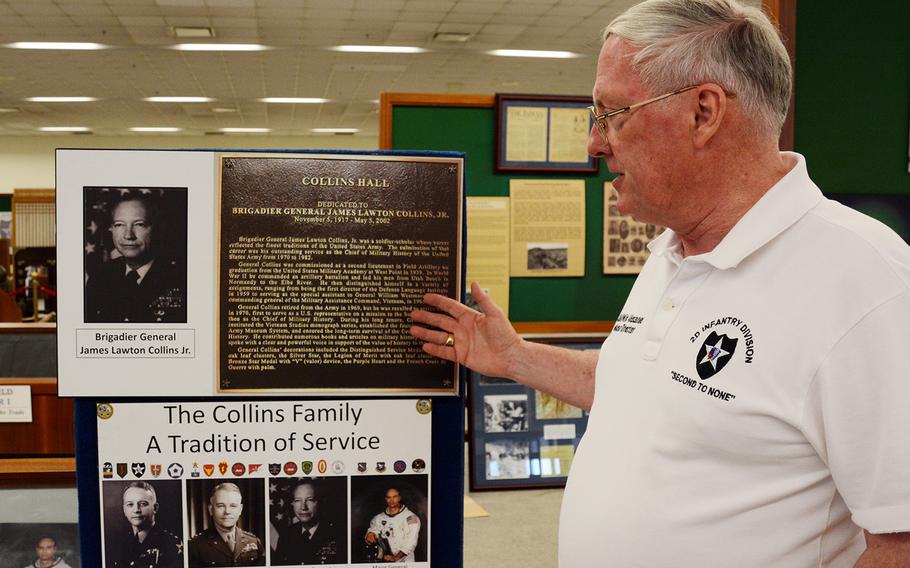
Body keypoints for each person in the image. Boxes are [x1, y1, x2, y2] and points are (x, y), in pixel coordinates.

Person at [409, 1, 910, 566]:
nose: (594, 145)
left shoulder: (866, 282)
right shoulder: (674, 250)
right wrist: (518, 357)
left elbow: (901, 540)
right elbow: (645, 390)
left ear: (704, 112)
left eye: (611, 113)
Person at [85, 195, 186, 323]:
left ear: (158, 228)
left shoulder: (181, 277)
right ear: (111, 229)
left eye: (139, 224)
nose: (128, 235)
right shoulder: (100, 278)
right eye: (119, 225)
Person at [188, 483, 264, 567]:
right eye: (220, 506)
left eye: (233, 506)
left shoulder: (254, 541)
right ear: (210, 510)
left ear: (240, 510)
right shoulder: (195, 545)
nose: (227, 511)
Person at [109, 481, 182, 568]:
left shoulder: (171, 544)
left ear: (155, 508)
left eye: (143, 504)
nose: (136, 510)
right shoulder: (119, 545)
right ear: (124, 510)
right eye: (130, 504)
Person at [273, 479, 344, 565]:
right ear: (292, 503)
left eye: (310, 500)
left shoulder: (338, 534)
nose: (303, 507)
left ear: (320, 502)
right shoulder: (286, 536)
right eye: (297, 500)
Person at [363, 487, 420, 563]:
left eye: (394, 497)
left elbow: (411, 542)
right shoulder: (378, 518)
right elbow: (373, 531)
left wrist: (395, 557)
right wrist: (370, 535)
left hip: (405, 562)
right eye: (388, 497)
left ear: (399, 498)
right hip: (385, 560)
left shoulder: (411, 518)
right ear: (385, 499)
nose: (391, 500)